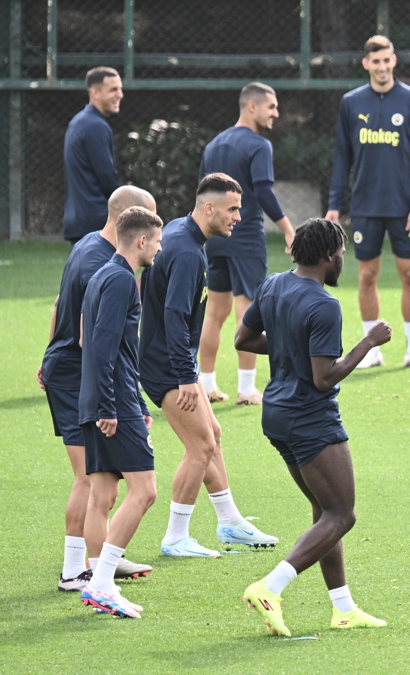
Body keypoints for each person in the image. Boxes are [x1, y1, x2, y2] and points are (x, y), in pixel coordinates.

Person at [237, 218, 390, 636]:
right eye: (341, 252)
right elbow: (325, 377)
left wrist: (289, 345)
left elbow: (243, 340)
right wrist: (369, 341)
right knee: (342, 514)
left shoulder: (272, 285)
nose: (343, 259)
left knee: (325, 511)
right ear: (327, 255)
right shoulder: (324, 305)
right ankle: (270, 587)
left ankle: (344, 609)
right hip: (310, 418)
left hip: (277, 415)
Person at [140, 173, 277, 557]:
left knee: (213, 434)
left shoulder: (181, 234)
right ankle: (175, 537)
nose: (239, 217)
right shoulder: (187, 252)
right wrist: (186, 376)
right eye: (232, 209)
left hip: (171, 361)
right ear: (210, 208)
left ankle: (230, 522)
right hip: (167, 366)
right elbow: (174, 317)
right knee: (200, 446)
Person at [40, 187, 157, 591]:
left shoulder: (90, 245)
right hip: (80, 375)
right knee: (89, 479)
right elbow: (91, 336)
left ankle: (99, 563)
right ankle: (79, 570)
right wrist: (110, 400)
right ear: (131, 221)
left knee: (102, 480)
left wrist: (49, 353)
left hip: (71, 369)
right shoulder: (106, 265)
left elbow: (61, 303)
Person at [326, 35, 410, 371]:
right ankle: (371, 351)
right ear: (366, 64)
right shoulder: (352, 102)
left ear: (394, 61)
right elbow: (342, 157)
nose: (382, 67)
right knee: (367, 275)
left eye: (387, 60)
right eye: (376, 61)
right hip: (365, 206)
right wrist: (334, 204)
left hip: (404, 208)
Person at [77, 206, 164, 619]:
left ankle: (102, 582)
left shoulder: (101, 275)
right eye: (157, 242)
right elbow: (104, 344)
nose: (159, 249)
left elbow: (97, 342)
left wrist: (134, 403)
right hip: (112, 403)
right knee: (145, 491)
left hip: (100, 400)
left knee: (104, 495)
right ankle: (100, 583)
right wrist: (111, 405)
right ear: (141, 240)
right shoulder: (121, 280)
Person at [198, 82, 296, 405]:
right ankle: (246, 389)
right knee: (248, 311)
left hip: (214, 237)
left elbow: (201, 194)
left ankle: (207, 385)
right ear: (252, 106)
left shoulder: (214, 144)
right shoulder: (259, 145)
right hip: (245, 236)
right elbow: (264, 191)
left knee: (214, 313)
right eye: (272, 106)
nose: (276, 113)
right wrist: (288, 229)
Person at [63, 67, 123, 244]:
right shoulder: (95, 126)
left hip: (79, 220)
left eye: (120, 89)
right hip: (97, 224)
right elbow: (107, 178)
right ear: (95, 92)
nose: (120, 95)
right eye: (113, 89)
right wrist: (125, 207)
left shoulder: (79, 121)